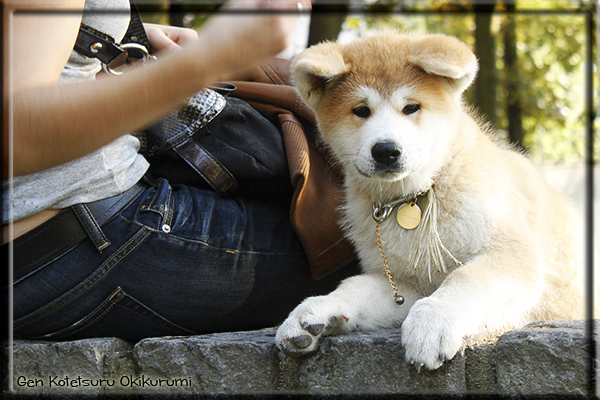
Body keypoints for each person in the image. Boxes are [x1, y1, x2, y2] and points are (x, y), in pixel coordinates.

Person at [2, 0, 358, 342]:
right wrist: (211, 56)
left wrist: (107, 41)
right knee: (372, 257)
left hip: (47, 248)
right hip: (70, 245)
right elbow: (16, 136)